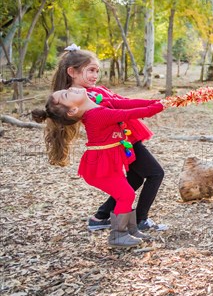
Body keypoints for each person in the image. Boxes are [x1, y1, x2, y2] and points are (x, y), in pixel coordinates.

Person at [51, 45, 167, 232]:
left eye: (97, 70)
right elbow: (118, 110)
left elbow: (121, 102)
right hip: (118, 141)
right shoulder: (79, 98)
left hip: (125, 138)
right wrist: (153, 107)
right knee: (155, 173)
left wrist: (154, 102)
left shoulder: (94, 91)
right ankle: (140, 220)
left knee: (135, 179)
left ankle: (101, 216)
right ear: (72, 72)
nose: (95, 75)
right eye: (90, 70)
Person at [32, 87, 165, 248]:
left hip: (110, 162)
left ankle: (131, 229)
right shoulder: (96, 115)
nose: (71, 88)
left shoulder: (96, 103)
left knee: (126, 193)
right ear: (73, 109)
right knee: (126, 195)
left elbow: (124, 104)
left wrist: (154, 102)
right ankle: (118, 235)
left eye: (66, 90)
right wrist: (159, 106)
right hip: (100, 167)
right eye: (67, 94)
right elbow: (128, 114)